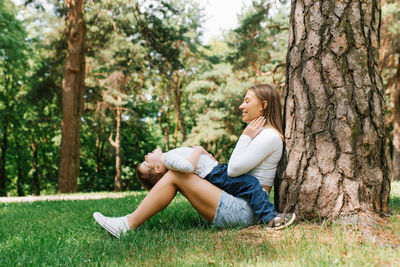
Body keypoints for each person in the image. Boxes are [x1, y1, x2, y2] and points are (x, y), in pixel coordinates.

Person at [93, 84, 295, 238]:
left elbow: (233, 170)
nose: (241, 105)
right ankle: (127, 223)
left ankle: (127, 224)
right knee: (177, 173)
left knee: (176, 174)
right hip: (241, 203)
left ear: (263, 106)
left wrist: (245, 136)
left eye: (247, 101)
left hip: (247, 211)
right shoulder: (260, 135)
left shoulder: (268, 136)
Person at [133, 126, 277, 225]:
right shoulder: (169, 159)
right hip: (215, 174)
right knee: (249, 183)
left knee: (244, 183)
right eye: (145, 162)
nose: (146, 156)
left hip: (216, 172)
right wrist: (198, 149)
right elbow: (189, 166)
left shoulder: (170, 157)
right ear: (158, 168)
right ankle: (269, 216)